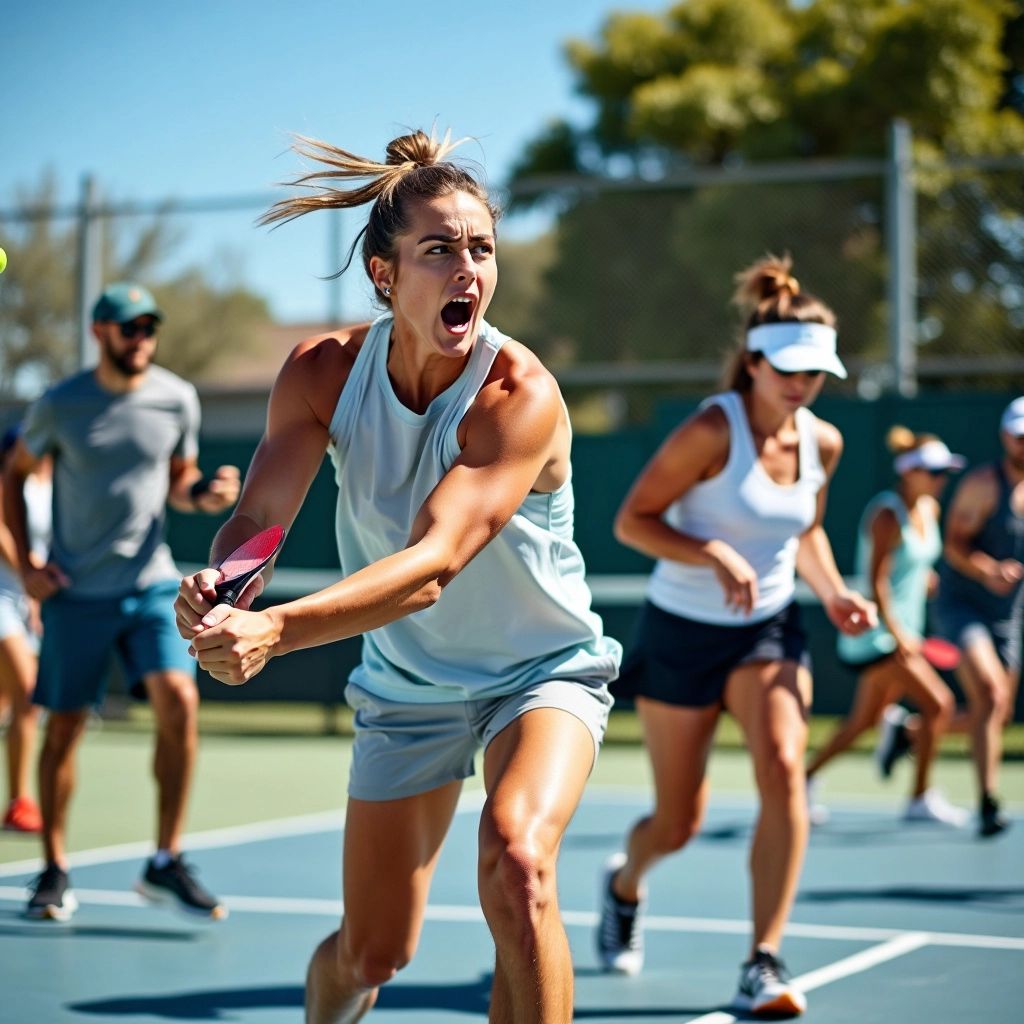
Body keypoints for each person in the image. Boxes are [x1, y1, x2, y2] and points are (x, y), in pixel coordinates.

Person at [174, 129, 621, 1024]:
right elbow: (260, 519)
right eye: (440, 249)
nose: (469, 269)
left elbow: (431, 566)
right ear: (384, 275)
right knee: (374, 951)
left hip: (542, 676)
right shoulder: (322, 372)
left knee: (519, 861)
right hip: (406, 685)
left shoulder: (516, 395)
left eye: (482, 249)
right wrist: (224, 586)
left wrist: (277, 630)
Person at [596, 255, 875, 1019]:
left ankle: (763, 960)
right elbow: (632, 521)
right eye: (786, 369)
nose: (801, 384)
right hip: (682, 632)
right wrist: (709, 550)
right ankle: (625, 883)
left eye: (815, 372)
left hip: (770, 630)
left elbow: (805, 532)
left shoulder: (824, 443)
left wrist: (836, 591)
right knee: (677, 822)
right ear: (753, 362)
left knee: (785, 767)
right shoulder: (709, 430)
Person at [2, 282, 241, 921]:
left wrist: (206, 495)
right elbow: (14, 476)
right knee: (66, 728)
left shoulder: (177, 400)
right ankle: (52, 868)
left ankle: (165, 860)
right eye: (129, 327)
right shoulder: (60, 404)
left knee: (180, 702)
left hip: (150, 585)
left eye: (149, 328)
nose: (141, 338)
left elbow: (178, 485)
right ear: (100, 333)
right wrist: (27, 565)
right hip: (76, 595)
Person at [805, 426, 968, 827]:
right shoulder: (886, 515)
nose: (940, 480)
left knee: (862, 722)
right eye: (933, 472)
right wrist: (897, 635)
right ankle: (919, 798)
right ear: (908, 471)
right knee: (939, 705)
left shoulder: (929, 509)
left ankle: (801, 779)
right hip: (878, 636)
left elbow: (914, 565)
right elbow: (876, 581)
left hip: (904, 632)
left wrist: (925, 580)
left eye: (944, 472)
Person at [932, 395, 1024, 838]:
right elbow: (953, 545)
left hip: (1010, 613)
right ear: (1006, 438)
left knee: (997, 711)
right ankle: (988, 802)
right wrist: (989, 571)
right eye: (1020, 437)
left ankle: (911, 734)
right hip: (963, 604)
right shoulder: (983, 485)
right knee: (989, 691)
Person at [0, 425, 51, 832]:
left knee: (7, 701)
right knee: (29, 693)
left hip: (27, 602)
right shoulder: (7, 482)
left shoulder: (51, 485)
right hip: (3, 599)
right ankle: (20, 802)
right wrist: (30, 579)